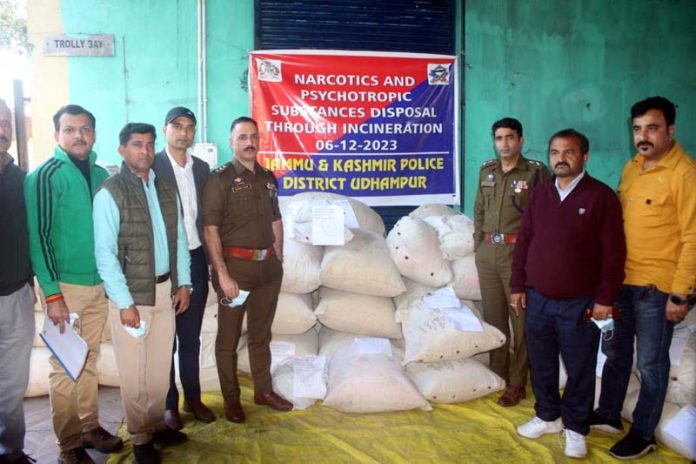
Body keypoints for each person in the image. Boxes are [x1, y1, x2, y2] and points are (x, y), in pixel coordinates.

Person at [510, 129, 626, 458]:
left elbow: (614, 254)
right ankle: (548, 415)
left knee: (579, 367)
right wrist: (518, 285)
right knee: (542, 362)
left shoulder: (601, 197)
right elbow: (525, 242)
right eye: (555, 152)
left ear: (584, 157)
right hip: (538, 298)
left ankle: (575, 426)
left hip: (581, 302)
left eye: (569, 152)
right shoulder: (541, 194)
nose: (561, 158)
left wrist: (605, 298)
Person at [591, 97, 696, 460]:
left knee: (651, 363)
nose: (643, 136)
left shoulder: (685, 174)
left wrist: (681, 295)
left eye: (652, 128)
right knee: (616, 352)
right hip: (621, 281)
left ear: (670, 130)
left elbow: (693, 236)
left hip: (656, 288)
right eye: (637, 129)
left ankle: (644, 432)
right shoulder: (632, 168)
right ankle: (608, 414)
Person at [24, 105, 122, 464]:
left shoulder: (100, 175)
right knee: (65, 365)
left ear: (94, 134)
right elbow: (40, 237)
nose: (78, 135)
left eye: (85, 129)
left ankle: (90, 426)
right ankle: (69, 444)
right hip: (64, 287)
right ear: (57, 136)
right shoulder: (45, 176)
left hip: (98, 285)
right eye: (70, 129)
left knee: (89, 359)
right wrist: (52, 293)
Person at [93, 123, 192, 464]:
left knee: (159, 368)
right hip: (132, 298)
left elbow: (179, 239)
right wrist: (124, 303)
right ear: (122, 150)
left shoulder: (165, 189)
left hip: (165, 291)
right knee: (134, 373)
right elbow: (104, 253)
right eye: (137, 145)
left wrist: (184, 283)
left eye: (150, 145)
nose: (145, 152)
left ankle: (155, 425)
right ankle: (139, 437)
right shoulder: (110, 192)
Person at [202, 116, 292, 423]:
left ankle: (263, 392)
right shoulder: (220, 178)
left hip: (267, 271)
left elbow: (275, 220)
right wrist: (223, 275)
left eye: (253, 136)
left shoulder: (268, 178)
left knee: (260, 335)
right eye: (242, 137)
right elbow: (210, 228)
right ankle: (231, 401)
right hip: (236, 272)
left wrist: (278, 259)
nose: (249, 142)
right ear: (232, 142)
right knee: (228, 339)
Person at [473, 117, 550, 407]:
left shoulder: (535, 173)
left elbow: (543, 218)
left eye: (509, 138)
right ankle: (498, 374)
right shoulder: (486, 171)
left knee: (521, 323)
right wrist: (477, 245)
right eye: (499, 138)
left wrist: (535, 258)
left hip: (518, 256)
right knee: (494, 320)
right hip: (488, 255)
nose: (504, 144)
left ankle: (518, 383)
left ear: (520, 141)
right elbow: (479, 209)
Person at [153, 107, 214, 430]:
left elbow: (206, 219)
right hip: (165, 263)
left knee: (191, 336)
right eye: (177, 126)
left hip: (195, 258)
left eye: (190, 127)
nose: (184, 133)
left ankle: (193, 397)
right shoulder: (153, 167)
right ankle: (168, 404)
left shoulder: (202, 169)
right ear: (166, 130)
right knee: (167, 338)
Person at [0, 99, 35, 464]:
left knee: (12, 386)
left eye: (6, 122)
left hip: (16, 298)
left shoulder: (22, 180)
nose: (3, 129)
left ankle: (12, 450)